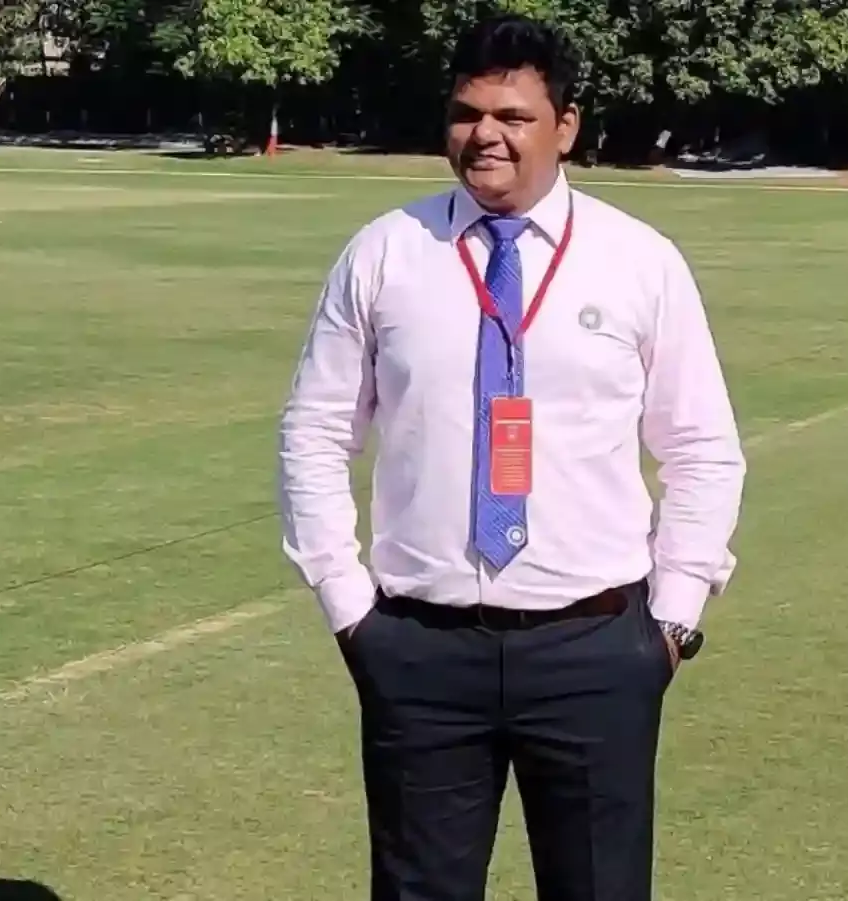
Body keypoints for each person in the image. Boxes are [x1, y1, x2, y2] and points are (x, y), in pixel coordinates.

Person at [276, 13, 746, 901]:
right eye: (466, 114)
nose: (483, 135)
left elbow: (701, 446)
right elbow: (315, 430)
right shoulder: (386, 252)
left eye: (513, 116)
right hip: (419, 649)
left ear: (564, 127)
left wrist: (673, 621)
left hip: (596, 649)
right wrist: (348, 606)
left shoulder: (637, 261)